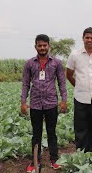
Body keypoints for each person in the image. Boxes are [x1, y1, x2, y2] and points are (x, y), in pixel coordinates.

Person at [21, 34, 67, 172]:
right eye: (39, 45)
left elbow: (62, 83)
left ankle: (54, 160)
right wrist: (23, 101)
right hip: (35, 104)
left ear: (49, 46)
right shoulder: (29, 63)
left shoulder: (56, 63)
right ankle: (35, 161)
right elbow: (25, 84)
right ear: (35, 46)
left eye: (44, 45)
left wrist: (64, 100)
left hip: (51, 103)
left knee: (51, 132)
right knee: (36, 133)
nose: (42, 48)